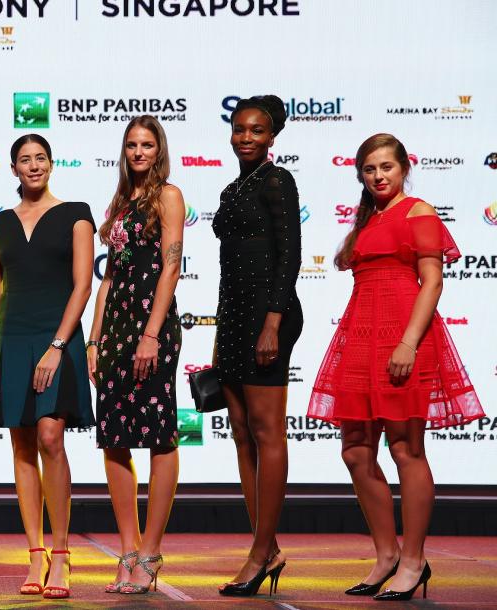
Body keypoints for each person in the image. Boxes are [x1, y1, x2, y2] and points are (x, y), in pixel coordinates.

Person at [308, 134, 484, 601]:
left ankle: (413, 560)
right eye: (369, 169)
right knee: (355, 450)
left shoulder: (418, 211)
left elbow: (432, 283)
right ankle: (386, 555)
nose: (378, 176)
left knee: (406, 448)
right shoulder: (368, 219)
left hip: (404, 336)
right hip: (360, 338)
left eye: (387, 166)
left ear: (404, 167)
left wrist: (407, 342)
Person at [0, 134, 94, 600]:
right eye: (25, 160)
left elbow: (83, 285)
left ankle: (62, 553)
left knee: (51, 437)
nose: (33, 166)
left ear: (51, 164)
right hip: (10, 338)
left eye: (40, 158)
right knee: (22, 445)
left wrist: (56, 346)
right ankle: (35, 553)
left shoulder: (76, 214)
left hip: (57, 337)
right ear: (13, 169)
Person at [86, 116, 184, 595]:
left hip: (152, 326)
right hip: (116, 329)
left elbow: (171, 269)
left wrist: (151, 335)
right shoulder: (121, 202)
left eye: (146, 144)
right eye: (131, 144)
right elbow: (109, 277)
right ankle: (127, 551)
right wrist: (93, 339)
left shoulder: (169, 196)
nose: (139, 152)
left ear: (158, 150)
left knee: (160, 437)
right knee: (114, 439)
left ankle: (150, 552)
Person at [213, 95, 301, 596]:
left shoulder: (276, 180)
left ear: (272, 137)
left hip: (269, 315)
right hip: (233, 316)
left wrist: (272, 323)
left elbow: (290, 257)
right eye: (239, 129)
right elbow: (230, 264)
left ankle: (259, 553)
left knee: (267, 434)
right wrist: (221, 331)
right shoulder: (233, 187)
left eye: (257, 130)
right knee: (242, 435)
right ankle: (266, 548)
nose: (246, 137)